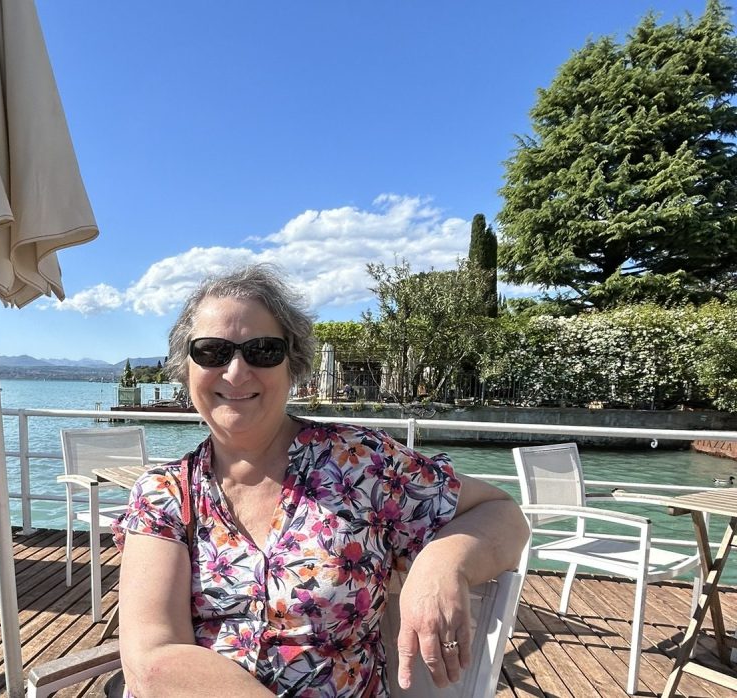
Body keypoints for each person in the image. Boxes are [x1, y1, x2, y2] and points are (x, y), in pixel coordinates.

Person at [112, 264, 528, 697]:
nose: (236, 372)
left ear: (292, 365)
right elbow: (152, 660)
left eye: (263, 351)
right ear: (187, 368)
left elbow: (504, 514)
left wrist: (442, 565)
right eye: (213, 352)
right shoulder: (163, 494)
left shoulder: (362, 464)